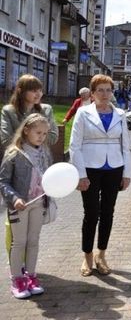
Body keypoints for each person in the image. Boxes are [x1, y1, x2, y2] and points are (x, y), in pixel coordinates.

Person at [69, 74, 131, 277]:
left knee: (108, 212)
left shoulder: (120, 114)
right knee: (91, 213)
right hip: (90, 168)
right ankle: (87, 256)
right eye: (100, 90)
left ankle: (101, 254)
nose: (104, 94)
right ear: (93, 93)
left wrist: (126, 173)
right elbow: (74, 146)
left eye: (108, 90)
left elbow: (125, 146)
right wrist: (80, 174)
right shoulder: (83, 113)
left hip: (114, 168)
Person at [0, 114, 52, 298]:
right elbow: (3, 181)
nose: (42, 137)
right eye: (38, 132)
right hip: (20, 205)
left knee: (33, 241)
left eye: (45, 133)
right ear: (26, 130)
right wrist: (14, 198)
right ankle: (17, 279)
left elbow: (50, 176)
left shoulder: (44, 153)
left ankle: (31, 276)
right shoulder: (14, 153)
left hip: (38, 203)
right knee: (19, 242)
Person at [1, 75, 58, 154]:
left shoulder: (46, 110)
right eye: (34, 91)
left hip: (40, 158)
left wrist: (26, 138)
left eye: (40, 90)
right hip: (17, 157)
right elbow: (6, 140)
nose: (39, 94)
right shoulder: (9, 111)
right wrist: (37, 139)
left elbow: (53, 136)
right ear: (20, 91)